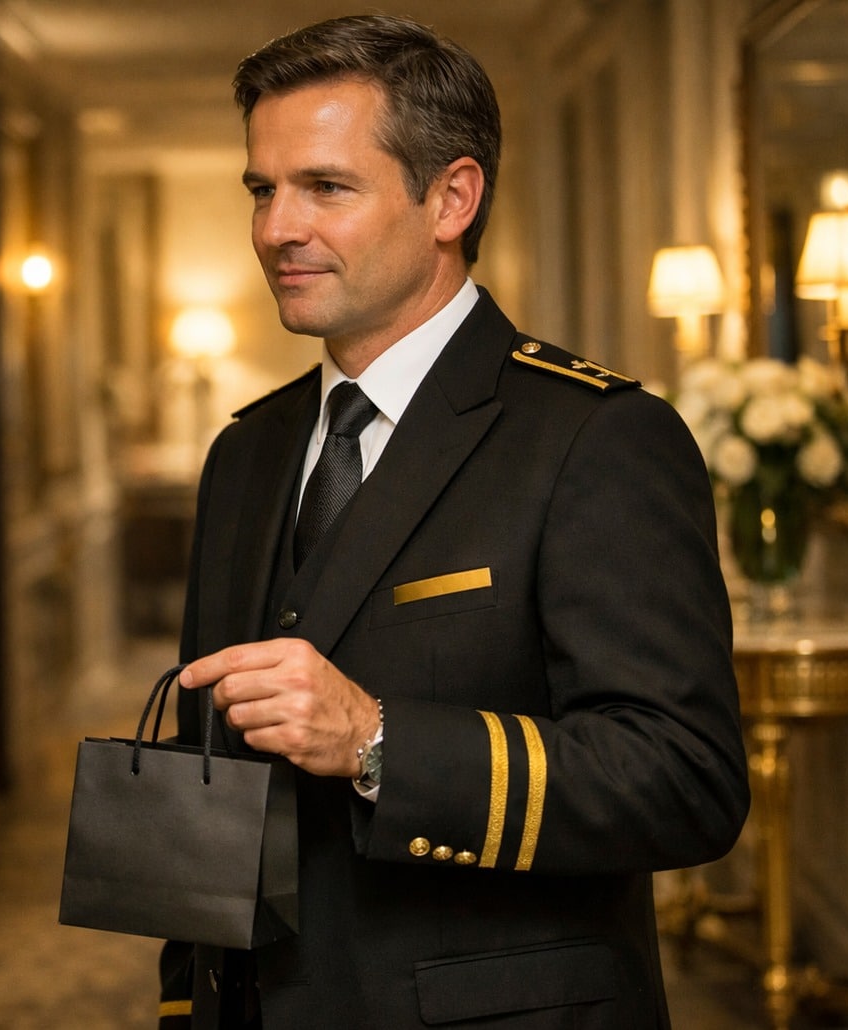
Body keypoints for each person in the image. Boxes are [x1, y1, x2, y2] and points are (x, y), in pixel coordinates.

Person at [157, 14, 750, 1029]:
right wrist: (186, 1003)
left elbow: (685, 779)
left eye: (326, 188)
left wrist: (381, 741)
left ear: (452, 197)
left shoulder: (596, 438)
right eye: (263, 189)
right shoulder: (244, 454)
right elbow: (210, 773)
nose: (275, 229)